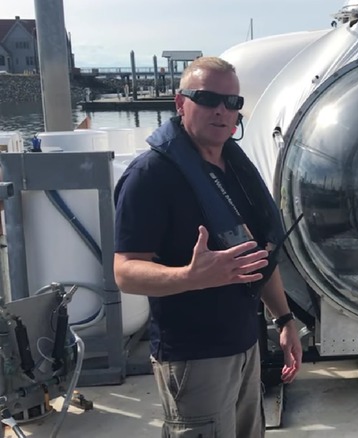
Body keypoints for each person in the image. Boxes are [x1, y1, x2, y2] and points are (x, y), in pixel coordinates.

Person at [113, 56, 302, 438]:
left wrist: (284, 320)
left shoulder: (236, 171)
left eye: (232, 103)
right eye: (207, 98)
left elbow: (256, 257)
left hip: (247, 344)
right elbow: (125, 271)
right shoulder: (149, 177)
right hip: (194, 356)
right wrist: (190, 276)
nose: (222, 110)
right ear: (180, 103)